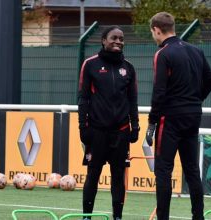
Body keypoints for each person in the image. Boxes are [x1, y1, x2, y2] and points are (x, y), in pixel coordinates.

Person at [145, 12, 211, 220]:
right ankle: (198, 217)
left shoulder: (163, 53)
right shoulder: (196, 51)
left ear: (157, 30)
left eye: (153, 33)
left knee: (163, 171)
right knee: (192, 169)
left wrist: (152, 123)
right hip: (193, 115)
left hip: (170, 119)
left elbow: (158, 93)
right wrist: (196, 99)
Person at [78, 25, 139, 220]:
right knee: (93, 175)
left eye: (121, 39)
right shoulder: (90, 64)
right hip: (97, 131)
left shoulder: (128, 68)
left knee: (118, 176)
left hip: (121, 132)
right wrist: (83, 127)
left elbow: (133, 101)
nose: (118, 41)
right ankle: (87, 216)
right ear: (103, 40)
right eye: (114, 38)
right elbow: (83, 99)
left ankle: (117, 217)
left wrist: (135, 125)